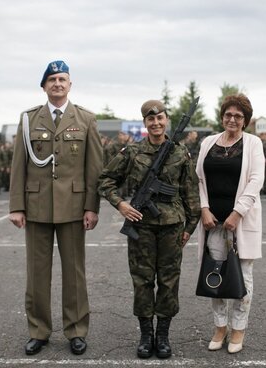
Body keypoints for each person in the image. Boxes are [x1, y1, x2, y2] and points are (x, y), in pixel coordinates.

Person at [9, 60, 102, 356]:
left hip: (74, 208)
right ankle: (39, 331)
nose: (57, 84)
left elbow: (94, 169)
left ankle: (76, 331)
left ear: (70, 84)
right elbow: (18, 168)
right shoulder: (28, 119)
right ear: (44, 86)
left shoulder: (86, 119)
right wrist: (16, 207)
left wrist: (92, 207)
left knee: (74, 274)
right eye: (52, 80)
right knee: (37, 274)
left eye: (62, 79)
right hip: (36, 207)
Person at [98, 99, 199, 359]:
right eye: (150, 119)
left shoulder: (180, 153)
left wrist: (190, 226)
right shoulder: (132, 152)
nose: (156, 123)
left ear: (167, 120)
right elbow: (105, 180)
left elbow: (191, 193)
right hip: (140, 227)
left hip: (172, 227)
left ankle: (163, 335)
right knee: (142, 280)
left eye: (160, 118)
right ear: (145, 123)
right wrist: (120, 204)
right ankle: (146, 335)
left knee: (168, 281)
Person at [192, 94, 263, 354]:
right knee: (215, 274)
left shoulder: (253, 143)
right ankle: (220, 327)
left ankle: (238, 329)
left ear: (245, 120)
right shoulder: (208, 142)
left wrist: (237, 213)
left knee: (242, 277)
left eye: (238, 116)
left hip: (241, 223)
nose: (232, 119)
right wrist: (204, 208)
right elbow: (198, 179)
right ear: (222, 116)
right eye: (228, 114)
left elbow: (256, 180)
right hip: (213, 223)